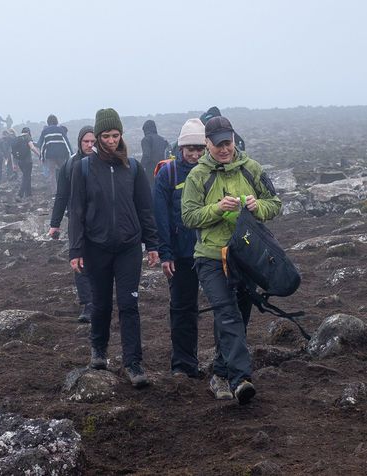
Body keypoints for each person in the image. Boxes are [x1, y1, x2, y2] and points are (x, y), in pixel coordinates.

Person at [181, 116, 281, 404]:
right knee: (227, 313)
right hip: (211, 258)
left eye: (229, 142)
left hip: (245, 257)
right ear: (207, 144)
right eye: (219, 144)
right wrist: (215, 208)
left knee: (240, 315)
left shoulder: (251, 169)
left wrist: (257, 206)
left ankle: (220, 374)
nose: (225, 149)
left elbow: (275, 204)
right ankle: (241, 379)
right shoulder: (198, 176)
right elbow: (188, 216)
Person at [68, 108, 160, 388]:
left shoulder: (132, 167)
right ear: (96, 137)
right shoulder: (82, 169)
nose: (111, 140)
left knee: (129, 304)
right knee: (101, 302)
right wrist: (76, 251)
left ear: (121, 135)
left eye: (115, 135)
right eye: (106, 135)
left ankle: (133, 363)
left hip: (128, 247)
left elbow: (145, 208)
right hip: (97, 247)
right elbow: (77, 211)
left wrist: (152, 244)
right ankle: (98, 351)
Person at [153, 118, 205, 379]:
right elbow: (160, 217)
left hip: (212, 252)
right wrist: (166, 253)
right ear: (180, 148)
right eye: (190, 149)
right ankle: (183, 365)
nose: (195, 155)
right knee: (183, 309)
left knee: (225, 307)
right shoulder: (168, 174)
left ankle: (224, 362)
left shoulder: (213, 171)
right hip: (182, 254)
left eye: (199, 149)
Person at [49, 126, 95, 323]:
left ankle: (98, 300)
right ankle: (88, 304)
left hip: (100, 221)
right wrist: (55, 224)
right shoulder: (69, 165)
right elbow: (62, 196)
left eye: (93, 142)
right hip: (76, 221)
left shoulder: (102, 163)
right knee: (79, 259)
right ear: (79, 142)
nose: (90, 145)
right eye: (86, 142)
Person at [36, 115, 73, 194]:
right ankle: (66, 190)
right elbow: (66, 142)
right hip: (61, 155)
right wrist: (71, 154)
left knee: (52, 174)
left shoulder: (45, 131)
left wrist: (41, 157)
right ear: (56, 121)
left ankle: (55, 193)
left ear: (48, 122)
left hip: (50, 156)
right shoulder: (60, 129)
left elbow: (42, 145)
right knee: (64, 172)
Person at [12, 127, 40, 201]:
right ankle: (20, 195)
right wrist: (39, 155)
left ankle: (29, 194)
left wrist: (14, 164)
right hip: (27, 161)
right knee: (26, 177)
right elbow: (32, 147)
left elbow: (12, 152)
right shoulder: (27, 137)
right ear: (28, 132)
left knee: (27, 176)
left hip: (19, 161)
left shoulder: (17, 138)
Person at [140, 120, 169, 191]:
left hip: (151, 170)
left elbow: (146, 155)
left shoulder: (146, 139)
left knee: (151, 190)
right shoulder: (163, 140)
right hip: (164, 168)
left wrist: (140, 168)